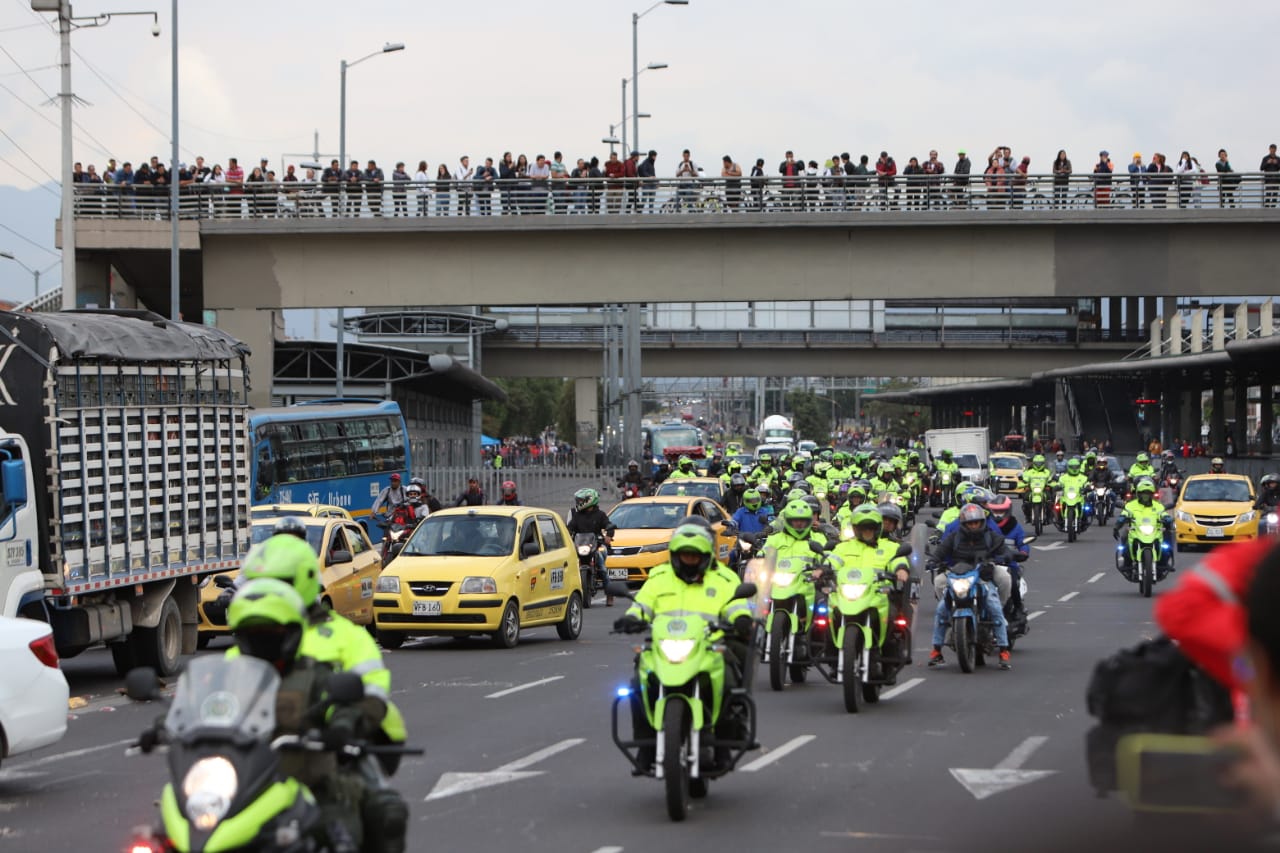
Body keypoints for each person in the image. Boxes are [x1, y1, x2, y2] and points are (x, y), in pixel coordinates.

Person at [238, 538, 409, 852]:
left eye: (277, 584)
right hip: (253, 762)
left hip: (331, 752)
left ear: (302, 581)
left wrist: (345, 725)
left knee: (381, 810)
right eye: (257, 584)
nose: (267, 594)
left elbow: (370, 693)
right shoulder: (249, 640)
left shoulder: (346, 635)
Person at [613, 521, 754, 772]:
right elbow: (642, 605)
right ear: (675, 556)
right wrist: (631, 619)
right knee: (637, 685)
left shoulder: (723, 577)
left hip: (709, 646)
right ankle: (646, 747)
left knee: (731, 678)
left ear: (705, 555)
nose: (689, 560)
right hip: (665, 647)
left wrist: (740, 619)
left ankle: (724, 743)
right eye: (684, 555)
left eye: (694, 555)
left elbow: (736, 605)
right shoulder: (659, 577)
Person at [929, 503, 1013, 670]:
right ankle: (936, 650)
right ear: (963, 524)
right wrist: (933, 560)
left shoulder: (991, 536)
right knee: (941, 609)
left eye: (976, 522)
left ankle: (1003, 650)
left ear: (982, 522)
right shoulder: (954, 537)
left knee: (994, 606)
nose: (973, 526)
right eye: (970, 523)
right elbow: (940, 551)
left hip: (982, 575)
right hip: (958, 575)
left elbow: (1005, 550)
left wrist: (1001, 558)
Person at [1113, 478, 1173, 578]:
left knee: (1166, 543)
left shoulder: (1158, 506)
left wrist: (1168, 519)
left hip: (1154, 532)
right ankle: (1127, 564)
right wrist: (1117, 526)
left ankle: (1164, 563)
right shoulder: (1131, 505)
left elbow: (1164, 514)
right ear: (1138, 494)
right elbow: (1123, 515)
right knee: (1125, 541)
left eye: (1148, 493)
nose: (1145, 495)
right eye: (1143, 493)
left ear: (1152, 494)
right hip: (1136, 531)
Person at [568, 488, 616, 604]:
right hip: (580, 545)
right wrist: (567, 536)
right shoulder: (577, 515)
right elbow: (569, 528)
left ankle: (609, 594)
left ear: (589, 500)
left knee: (602, 567)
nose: (578, 503)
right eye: (578, 500)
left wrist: (608, 535)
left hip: (597, 545)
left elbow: (609, 525)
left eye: (580, 500)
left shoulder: (600, 515)